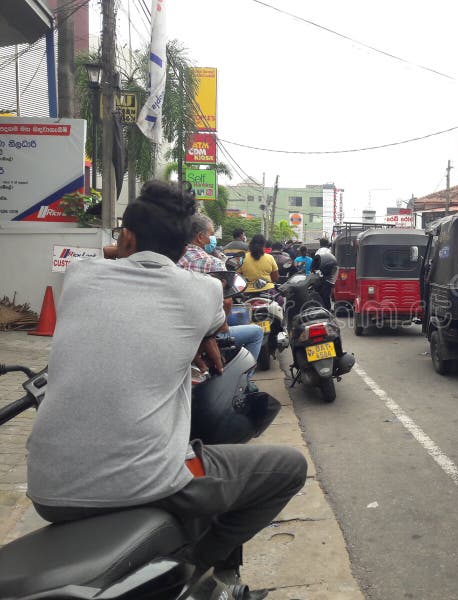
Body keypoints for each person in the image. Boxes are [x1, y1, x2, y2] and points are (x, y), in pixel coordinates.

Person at [26, 180, 307, 591]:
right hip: (148, 487)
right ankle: (193, 565)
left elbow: (102, 256)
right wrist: (204, 336)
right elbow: (215, 326)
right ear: (188, 245)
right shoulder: (205, 290)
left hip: (47, 492)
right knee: (290, 469)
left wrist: (124, 247)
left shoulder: (81, 276)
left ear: (127, 237)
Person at [179, 214, 264, 370]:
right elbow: (226, 301)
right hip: (205, 333)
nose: (213, 239)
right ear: (199, 237)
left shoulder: (173, 259)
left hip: (178, 332)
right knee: (257, 332)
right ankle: (245, 381)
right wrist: (216, 330)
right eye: (211, 234)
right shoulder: (213, 263)